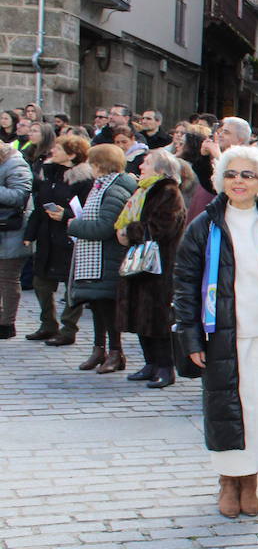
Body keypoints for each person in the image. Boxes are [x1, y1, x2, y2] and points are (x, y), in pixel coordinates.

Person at [173, 145, 258, 518]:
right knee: (227, 409)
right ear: (220, 180)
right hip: (222, 334)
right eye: (231, 174)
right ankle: (228, 481)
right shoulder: (205, 224)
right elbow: (184, 282)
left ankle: (251, 480)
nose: (238, 181)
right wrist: (190, 336)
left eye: (247, 175)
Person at [115, 148, 187, 388]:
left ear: (161, 169)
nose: (140, 167)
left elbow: (161, 227)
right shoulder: (143, 190)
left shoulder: (168, 192)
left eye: (146, 163)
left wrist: (129, 231)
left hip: (159, 266)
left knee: (158, 318)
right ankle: (150, 363)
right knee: (141, 317)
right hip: (141, 265)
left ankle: (165, 367)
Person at [66, 144, 137, 370]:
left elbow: (107, 226)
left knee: (108, 307)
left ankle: (116, 353)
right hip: (96, 258)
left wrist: (74, 226)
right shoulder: (100, 185)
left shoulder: (115, 188)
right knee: (97, 305)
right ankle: (99, 349)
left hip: (108, 257)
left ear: (99, 164)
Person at [23, 134, 91, 343]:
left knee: (71, 286)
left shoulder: (83, 180)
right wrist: (29, 234)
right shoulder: (49, 174)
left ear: (71, 155)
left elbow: (85, 212)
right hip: (46, 236)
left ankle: (68, 329)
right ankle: (48, 323)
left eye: (59, 149)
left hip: (68, 238)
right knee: (40, 282)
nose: (54, 151)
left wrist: (66, 216)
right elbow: (39, 205)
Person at [0, 142, 34, 339]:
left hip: (12, 230)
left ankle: (7, 323)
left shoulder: (15, 163)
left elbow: (20, 195)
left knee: (8, 279)